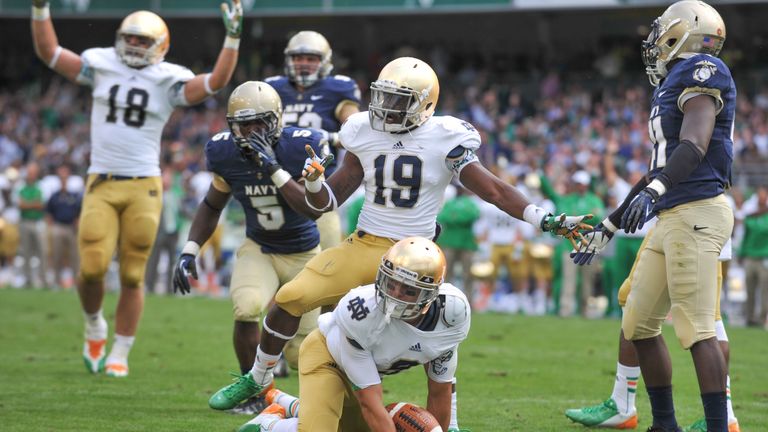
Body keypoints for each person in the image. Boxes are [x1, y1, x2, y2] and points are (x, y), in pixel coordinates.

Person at [208, 57, 592, 432]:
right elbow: (326, 203)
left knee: (439, 332)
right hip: (364, 243)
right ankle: (259, 378)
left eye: (398, 100)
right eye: (382, 97)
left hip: (413, 256)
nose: (385, 108)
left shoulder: (446, 137)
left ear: (425, 105)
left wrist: (544, 218)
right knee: (289, 298)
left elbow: (492, 189)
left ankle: (447, 422)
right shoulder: (363, 130)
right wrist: (312, 183)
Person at [31, 0, 243, 377]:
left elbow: (215, 82)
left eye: (142, 40)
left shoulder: (167, 78)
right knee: (93, 267)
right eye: (129, 37)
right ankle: (95, 323)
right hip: (101, 180)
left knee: (132, 274)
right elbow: (49, 52)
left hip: (143, 183)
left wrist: (232, 36)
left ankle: (121, 351)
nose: (133, 45)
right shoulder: (100, 65)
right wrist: (40, 9)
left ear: (160, 45)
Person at [570, 2, 736, 431]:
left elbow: (696, 143)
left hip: (696, 211)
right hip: (672, 214)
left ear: (684, 32)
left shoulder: (701, 68)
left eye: (662, 30)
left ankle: (720, 426)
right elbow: (657, 168)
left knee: (697, 329)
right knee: (639, 322)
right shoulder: (671, 83)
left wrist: (659, 189)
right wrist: (610, 224)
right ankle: (665, 424)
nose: (654, 39)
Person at [172, 81, 327, 414]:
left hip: (303, 253)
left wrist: (272, 166)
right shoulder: (225, 153)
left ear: (277, 121)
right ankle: (255, 392)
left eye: (261, 122)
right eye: (245, 124)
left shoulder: (298, 148)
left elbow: (309, 208)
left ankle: (321, 403)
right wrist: (189, 250)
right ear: (232, 125)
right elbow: (212, 205)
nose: (253, 130)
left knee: (300, 352)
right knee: (246, 307)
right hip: (260, 248)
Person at [238, 237, 470, 432]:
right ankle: (269, 425)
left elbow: (440, 390)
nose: (395, 295)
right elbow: (370, 401)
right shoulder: (361, 311)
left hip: (369, 370)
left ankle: (291, 405)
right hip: (328, 358)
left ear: (431, 294)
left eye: (408, 290)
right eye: (391, 283)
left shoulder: (453, 314)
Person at [265, 30, 360, 250]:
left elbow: (356, 132)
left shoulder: (337, 88)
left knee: (323, 258)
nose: (303, 63)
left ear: (324, 62)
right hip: (277, 183)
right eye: (298, 58)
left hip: (319, 186)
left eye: (311, 58)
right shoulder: (273, 88)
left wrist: (327, 138)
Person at [45, 163, 82, 290]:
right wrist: (51, 226)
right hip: (58, 227)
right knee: (57, 255)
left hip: (71, 228)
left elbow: (79, 211)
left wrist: (77, 222)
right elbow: (48, 212)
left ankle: (75, 283)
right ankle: (56, 282)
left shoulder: (74, 196)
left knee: (74, 256)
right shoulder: (54, 196)